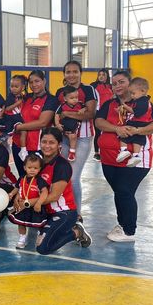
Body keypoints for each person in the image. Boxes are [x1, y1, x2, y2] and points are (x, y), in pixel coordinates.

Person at [95, 71, 153, 242]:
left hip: (135, 159)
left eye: (121, 82)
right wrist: (116, 129)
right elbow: (99, 122)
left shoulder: (143, 103)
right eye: (114, 83)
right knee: (119, 192)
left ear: (130, 84)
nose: (117, 86)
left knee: (125, 191)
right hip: (110, 159)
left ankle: (129, 231)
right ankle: (122, 225)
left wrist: (137, 130)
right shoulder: (109, 104)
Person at [35, 128, 92, 255]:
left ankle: (76, 232)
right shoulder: (36, 160)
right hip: (44, 210)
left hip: (63, 212)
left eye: (51, 142)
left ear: (59, 144)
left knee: (42, 248)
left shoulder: (62, 165)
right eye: (44, 142)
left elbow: (54, 196)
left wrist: (28, 203)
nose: (47, 146)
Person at [55, 61, 97, 213]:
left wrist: (67, 114)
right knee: (62, 176)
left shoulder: (88, 89)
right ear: (64, 74)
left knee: (73, 178)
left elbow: (90, 114)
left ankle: (77, 215)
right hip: (64, 138)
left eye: (75, 71)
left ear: (80, 73)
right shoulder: (60, 91)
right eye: (68, 72)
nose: (71, 75)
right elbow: (57, 114)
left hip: (82, 138)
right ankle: (64, 210)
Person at [13, 70, 59, 176]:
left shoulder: (51, 100)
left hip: (36, 147)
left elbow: (43, 122)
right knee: (22, 178)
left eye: (37, 81)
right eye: (31, 82)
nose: (34, 85)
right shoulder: (25, 98)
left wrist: (18, 127)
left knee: (37, 179)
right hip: (17, 144)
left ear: (44, 81)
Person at [7, 153, 49, 249]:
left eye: (35, 168)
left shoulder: (39, 180)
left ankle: (41, 237)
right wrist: (12, 194)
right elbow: (17, 188)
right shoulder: (22, 178)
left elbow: (45, 192)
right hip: (23, 206)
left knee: (39, 223)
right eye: (30, 167)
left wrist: (39, 203)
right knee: (21, 223)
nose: (32, 170)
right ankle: (22, 238)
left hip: (35, 206)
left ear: (39, 169)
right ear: (25, 167)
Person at [116, 77, 153, 167]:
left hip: (137, 123)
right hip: (142, 124)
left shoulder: (142, 101)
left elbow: (136, 112)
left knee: (124, 133)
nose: (132, 96)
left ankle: (124, 150)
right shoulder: (142, 101)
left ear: (143, 91)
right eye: (131, 94)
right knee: (137, 140)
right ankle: (136, 155)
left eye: (133, 93)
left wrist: (125, 107)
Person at [54, 86, 84, 162]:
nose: (75, 100)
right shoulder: (62, 106)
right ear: (65, 99)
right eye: (72, 98)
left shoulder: (80, 104)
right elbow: (57, 115)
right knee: (58, 136)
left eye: (76, 97)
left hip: (74, 125)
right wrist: (57, 124)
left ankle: (72, 152)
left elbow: (87, 108)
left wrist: (83, 109)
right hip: (63, 125)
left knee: (73, 137)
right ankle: (59, 147)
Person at [91, 68, 113, 161]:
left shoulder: (111, 86)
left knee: (108, 132)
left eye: (103, 75)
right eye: (99, 75)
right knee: (98, 133)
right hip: (98, 112)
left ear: (107, 76)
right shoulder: (93, 86)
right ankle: (96, 153)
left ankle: (107, 151)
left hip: (109, 113)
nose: (101, 76)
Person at [2, 75, 28, 152]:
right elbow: (7, 109)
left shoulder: (23, 96)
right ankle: (23, 149)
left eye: (16, 86)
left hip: (18, 116)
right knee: (23, 130)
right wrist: (17, 103)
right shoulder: (11, 96)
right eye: (11, 86)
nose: (13, 88)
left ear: (23, 87)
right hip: (11, 118)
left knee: (23, 131)